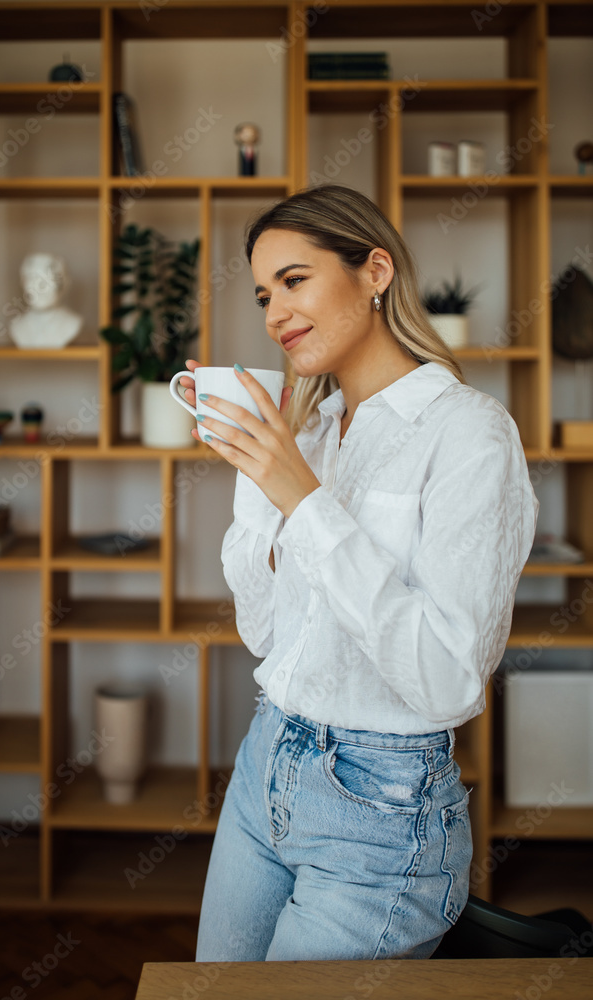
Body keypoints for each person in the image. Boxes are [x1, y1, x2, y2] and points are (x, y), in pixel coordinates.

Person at [179, 184, 538, 962]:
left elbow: (448, 680)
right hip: (265, 764)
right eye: (264, 293)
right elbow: (263, 632)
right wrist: (259, 466)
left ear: (374, 271)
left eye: (295, 280)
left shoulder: (467, 433)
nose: (274, 312)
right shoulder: (306, 432)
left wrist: (301, 499)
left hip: (381, 808)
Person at [9, 252, 83, 349]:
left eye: (49, 279)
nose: (40, 286)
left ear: (64, 285)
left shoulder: (73, 323)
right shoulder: (17, 326)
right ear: (22, 282)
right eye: (32, 278)